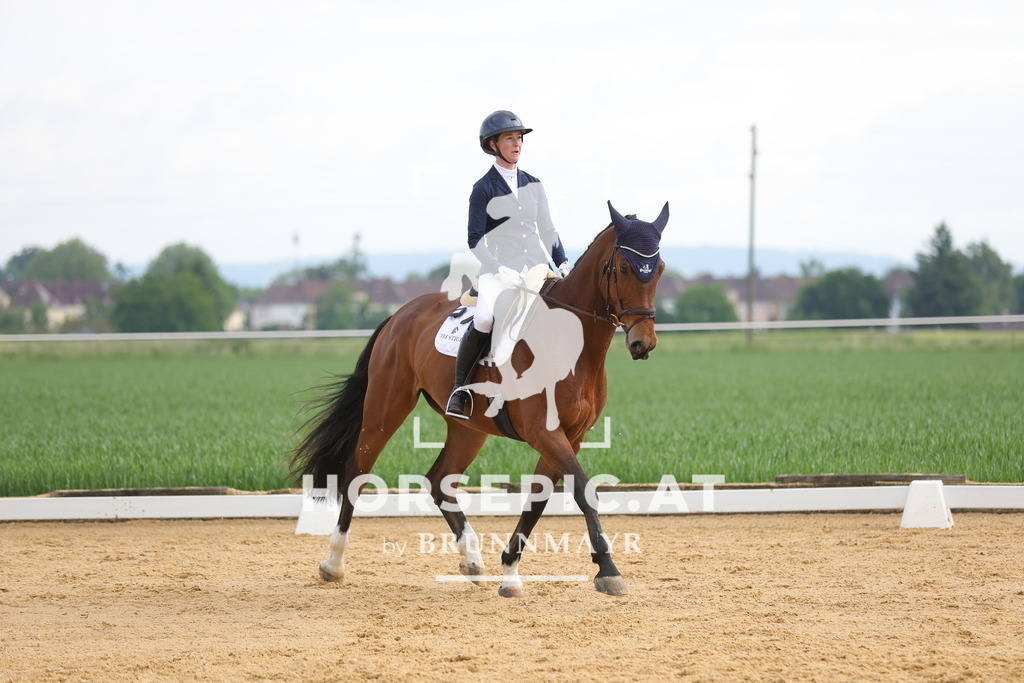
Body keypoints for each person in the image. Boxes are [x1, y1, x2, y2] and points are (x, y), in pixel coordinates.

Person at [445, 110, 572, 419]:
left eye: (519, 138)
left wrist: (562, 261)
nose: (517, 144)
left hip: (537, 269)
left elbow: (548, 230)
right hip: (499, 271)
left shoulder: (534, 184)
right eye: (510, 139)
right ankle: (460, 390)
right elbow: (474, 239)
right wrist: (497, 267)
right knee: (486, 319)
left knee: (560, 314)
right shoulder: (483, 188)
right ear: (493, 145)